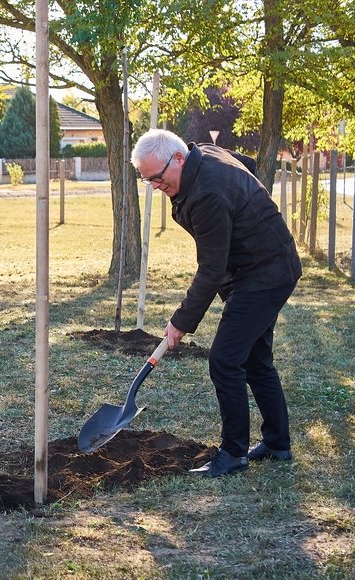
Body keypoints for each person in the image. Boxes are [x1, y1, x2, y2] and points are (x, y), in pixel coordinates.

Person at [130, 129, 302, 478]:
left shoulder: (208, 193)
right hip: (263, 264)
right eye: (148, 182)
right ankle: (277, 443)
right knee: (255, 358)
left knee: (225, 360)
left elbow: (211, 268)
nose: (156, 187)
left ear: (177, 158)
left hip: (264, 272)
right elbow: (247, 163)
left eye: (158, 178)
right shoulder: (201, 153)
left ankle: (233, 453)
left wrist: (181, 321)